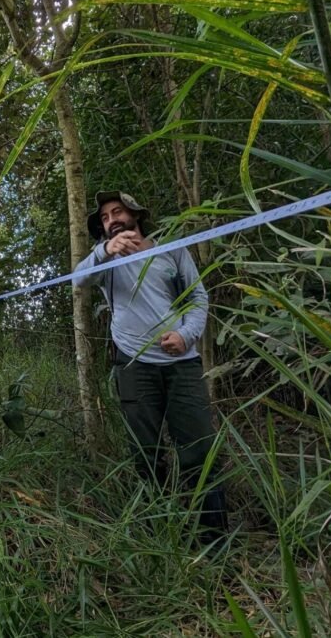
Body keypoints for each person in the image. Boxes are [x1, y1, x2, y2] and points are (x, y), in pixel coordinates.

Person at [73, 191, 228, 543]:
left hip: (182, 364)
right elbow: (78, 280)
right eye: (106, 217)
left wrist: (186, 335)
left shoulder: (171, 249)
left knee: (199, 449)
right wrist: (103, 252)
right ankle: (157, 535)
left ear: (136, 215)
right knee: (145, 453)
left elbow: (198, 296)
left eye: (118, 212)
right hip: (132, 365)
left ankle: (214, 541)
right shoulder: (105, 260)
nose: (112, 220)